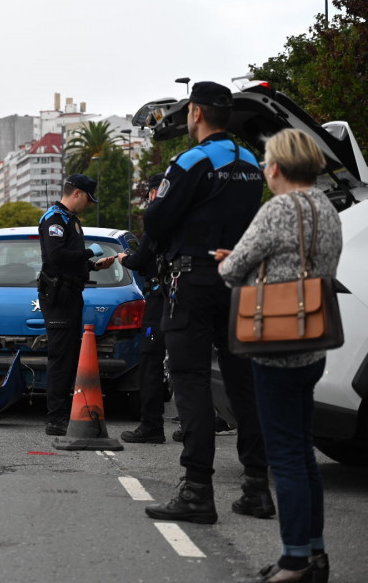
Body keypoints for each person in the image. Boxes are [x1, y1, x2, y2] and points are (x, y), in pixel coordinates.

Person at [142, 81, 275, 525]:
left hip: (193, 279)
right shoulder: (252, 164)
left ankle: (197, 489)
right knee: (243, 381)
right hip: (237, 279)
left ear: (196, 113)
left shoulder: (191, 161)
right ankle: (257, 487)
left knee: (190, 379)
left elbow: (157, 220)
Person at [218, 129, 341, 583]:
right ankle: (314, 554)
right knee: (303, 453)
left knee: (285, 455)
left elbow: (232, 271)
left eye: (267, 161)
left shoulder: (277, 209)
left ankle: (293, 563)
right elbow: (302, 265)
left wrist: (230, 261)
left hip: (276, 345)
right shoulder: (326, 208)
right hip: (313, 341)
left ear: (277, 167)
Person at [37, 174, 115, 436]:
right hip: (59, 297)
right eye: (89, 199)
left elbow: (71, 261)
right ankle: (55, 419)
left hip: (71, 295)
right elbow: (57, 257)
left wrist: (92, 266)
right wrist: (90, 252)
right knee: (60, 359)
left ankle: (63, 414)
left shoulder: (71, 220)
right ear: (78, 193)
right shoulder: (55, 220)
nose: (89, 205)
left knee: (69, 358)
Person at [118, 174, 168, 443]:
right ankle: (194, 426)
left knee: (150, 361)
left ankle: (152, 426)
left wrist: (124, 258)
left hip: (160, 300)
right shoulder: (188, 217)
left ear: (152, 193)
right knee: (187, 364)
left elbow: (141, 259)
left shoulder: (160, 220)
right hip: (185, 298)